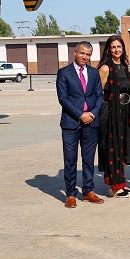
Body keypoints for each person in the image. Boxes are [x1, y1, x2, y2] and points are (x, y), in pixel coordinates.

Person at [57, 41, 104, 208]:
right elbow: (63, 99)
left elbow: (99, 96)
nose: (85, 57)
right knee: (70, 160)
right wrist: (80, 114)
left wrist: (92, 114)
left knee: (89, 159)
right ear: (75, 52)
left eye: (88, 55)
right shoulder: (64, 73)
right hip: (71, 124)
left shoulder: (93, 72)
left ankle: (88, 191)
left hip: (91, 123)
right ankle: (70, 193)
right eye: (82, 53)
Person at [97, 35, 130, 198]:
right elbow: (98, 93)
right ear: (108, 49)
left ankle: (121, 181)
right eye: (113, 47)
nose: (116, 50)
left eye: (119, 47)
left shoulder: (124, 66)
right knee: (112, 147)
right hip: (111, 112)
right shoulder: (105, 68)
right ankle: (115, 186)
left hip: (125, 111)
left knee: (124, 148)